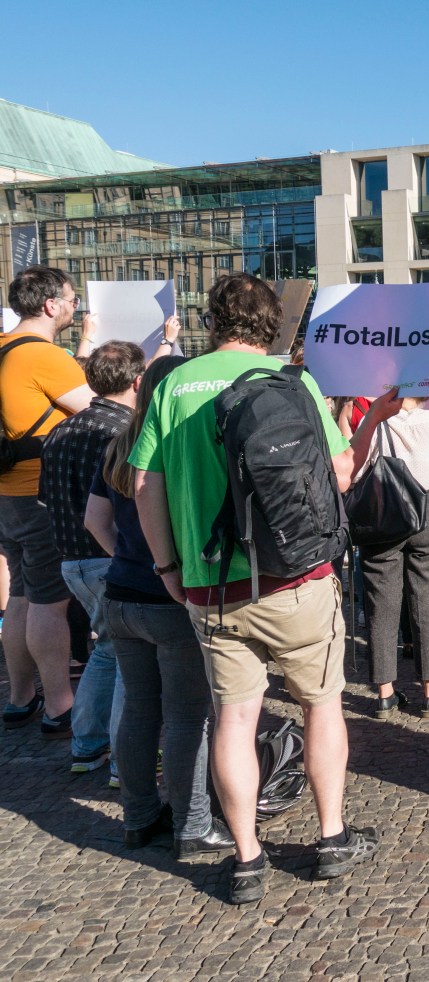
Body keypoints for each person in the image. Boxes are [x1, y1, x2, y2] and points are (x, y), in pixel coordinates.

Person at [130, 273, 389, 905]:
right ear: (273, 323)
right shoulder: (292, 381)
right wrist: (366, 424)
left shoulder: (175, 385)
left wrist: (168, 569)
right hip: (297, 577)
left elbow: (143, 484)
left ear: (211, 321)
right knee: (322, 705)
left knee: (235, 718)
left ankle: (246, 858)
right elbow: (339, 473)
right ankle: (331, 839)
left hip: (211, 584)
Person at [85, 354, 233, 858]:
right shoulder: (180, 443)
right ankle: (193, 825)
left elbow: (94, 521)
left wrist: (130, 559)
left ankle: (139, 817)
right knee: (188, 716)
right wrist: (161, 566)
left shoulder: (118, 446)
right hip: (171, 597)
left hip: (121, 595)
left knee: (139, 711)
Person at [39, 340, 148, 776]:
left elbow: (46, 500)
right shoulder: (124, 432)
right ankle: (125, 761)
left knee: (107, 652)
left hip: (71, 561)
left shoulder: (61, 430)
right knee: (128, 661)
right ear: (138, 381)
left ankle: (87, 746)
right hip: (110, 559)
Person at [0, 267, 97, 736]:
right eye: (72, 300)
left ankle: (20, 697)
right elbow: (99, 411)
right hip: (38, 493)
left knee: (21, 594)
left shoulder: (3, 347)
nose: (75, 307)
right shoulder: (42, 355)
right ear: (50, 305)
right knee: (49, 602)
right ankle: (60, 705)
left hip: (6, 493)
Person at [360, 397, 429, 719]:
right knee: (427, 604)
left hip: (383, 509)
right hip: (427, 508)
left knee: (381, 607)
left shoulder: (373, 422)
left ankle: (385, 695)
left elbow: (356, 465)